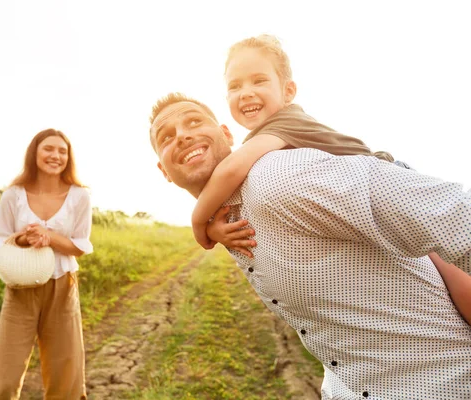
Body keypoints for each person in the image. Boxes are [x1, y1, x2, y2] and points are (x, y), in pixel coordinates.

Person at [148, 93, 471, 399]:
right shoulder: (228, 220)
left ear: (226, 133)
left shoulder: (277, 178)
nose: (182, 136)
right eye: (166, 136)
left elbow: (456, 214)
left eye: (193, 122)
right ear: (163, 170)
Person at [189, 34, 471, 325]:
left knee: (454, 278)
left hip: (387, 184)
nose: (246, 92)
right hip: (368, 201)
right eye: (235, 86)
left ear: (288, 91)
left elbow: (230, 171)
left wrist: (200, 223)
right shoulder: (265, 137)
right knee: (443, 275)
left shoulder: (283, 124)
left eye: (259, 80)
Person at [0, 128, 93, 400]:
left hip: (62, 287)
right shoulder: (13, 194)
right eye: (48, 149)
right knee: (6, 377)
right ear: (34, 152)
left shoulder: (80, 196)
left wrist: (52, 237)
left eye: (62, 151)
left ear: (69, 158)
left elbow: (80, 246)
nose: (55, 155)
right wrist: (22, 237)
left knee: (65, 374)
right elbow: (0, 240)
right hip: (19, 288)